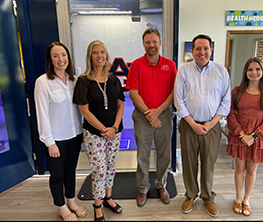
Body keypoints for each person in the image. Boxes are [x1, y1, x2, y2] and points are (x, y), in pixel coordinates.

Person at [174, 34, 231, 217]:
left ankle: (208, 197)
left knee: (208, 163)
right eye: (198, 48)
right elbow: (178, 100)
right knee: (189, 162)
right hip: (188, 125)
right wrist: (192, 123)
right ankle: (191, 195)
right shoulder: (183, 71)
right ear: (192, 51)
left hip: (212, 127)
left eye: (206, 48)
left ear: (211, 50)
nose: (202, 52)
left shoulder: (221, 71)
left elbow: (226, 101)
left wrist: (211, 123)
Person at [73, 40, 125, 221]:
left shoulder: (113, 80)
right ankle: (97, 204)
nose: (99, 55)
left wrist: (115, 128)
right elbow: (84, 110)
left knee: (111, 167)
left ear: (106, 55)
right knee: (99, 170)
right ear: (90, 57)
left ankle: (108, 198)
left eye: (102, 52)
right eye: (95, 52)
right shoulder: (83, 81)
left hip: (115, 132)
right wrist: (105, 130)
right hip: (94, 134)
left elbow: (121, 104)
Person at [34, 42, 87, 221]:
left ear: (68, 57)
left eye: (63, 55)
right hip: (56, 138)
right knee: (57, 175)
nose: (60, 59)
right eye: (55, 56)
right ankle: (61, 207)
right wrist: (49, 142)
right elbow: (42, 115)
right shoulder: (43, 82)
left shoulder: (74, 80)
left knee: (70, 170)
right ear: (50, 59)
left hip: (74, 135)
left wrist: (81, 132)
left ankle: (71, 201)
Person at [125, 28, 177, 207]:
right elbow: (133, 93)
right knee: (143, 155)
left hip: (164, 115)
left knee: (164, 154)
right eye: (148, 42)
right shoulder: (137, 65)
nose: (151, 45)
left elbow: (173, 92)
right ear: (143, 44)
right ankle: (143, 188)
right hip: (142, 117)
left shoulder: (170, 65)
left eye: (154, 41)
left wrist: (158, 111)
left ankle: (161, 185)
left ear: (160, 43)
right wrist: (150, 113)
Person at [226, 57, 263, 216]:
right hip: (239, 135)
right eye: (250, 69)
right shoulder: (236, 90)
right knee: (239, 168)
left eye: (257, 69)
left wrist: (253, 136)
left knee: (251, 170)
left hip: (258, 137)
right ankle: (237, 197)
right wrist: (241, 133)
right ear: (245, 72)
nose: (254, 72)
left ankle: (246, 200)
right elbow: (230, 113)